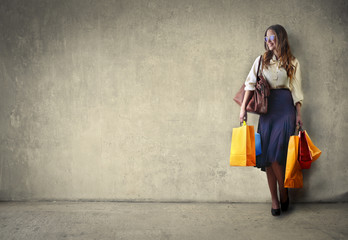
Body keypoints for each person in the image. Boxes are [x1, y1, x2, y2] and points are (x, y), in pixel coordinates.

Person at [239, 24, 304, 216]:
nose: (269, 41)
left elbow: (296, 90)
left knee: (276, 155)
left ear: (280, 38)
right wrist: (243, 109)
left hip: (285, 108)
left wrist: (299, 114)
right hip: (267, 109)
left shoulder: (292, 61)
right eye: (266, 38)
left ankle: (283, 192)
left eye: (272, 37)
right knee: (267, 157)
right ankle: (275, 200)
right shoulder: (260, 61)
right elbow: (249, 84)